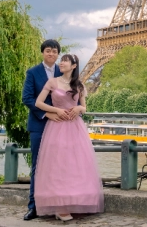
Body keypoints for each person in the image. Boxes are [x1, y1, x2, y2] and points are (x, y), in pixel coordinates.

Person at [34, 54, 104, 222]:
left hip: (75, 127)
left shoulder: (79, 85)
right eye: (62, 60)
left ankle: (74, 201)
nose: (61, 63)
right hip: (57, 126)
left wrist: (79, 108)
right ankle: (60, 206)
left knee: (75, 164)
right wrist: (56, 110)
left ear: (74, 65)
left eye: (65, 60)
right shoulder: (53, 82)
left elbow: (84, 107)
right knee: (59, 164)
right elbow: (38, 103)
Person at [22, 39, 67, 221]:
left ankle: (56, 205)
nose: (51, 54)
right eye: (48, 50)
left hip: (60, 126)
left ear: (58, 54)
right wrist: (47, 113)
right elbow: (27, 98)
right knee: (38, 166)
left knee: (58, 166)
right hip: (39, 124)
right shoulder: (33, 72)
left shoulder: (63, 72)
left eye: (55, 51)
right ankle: (33, 207)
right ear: (43, 52)